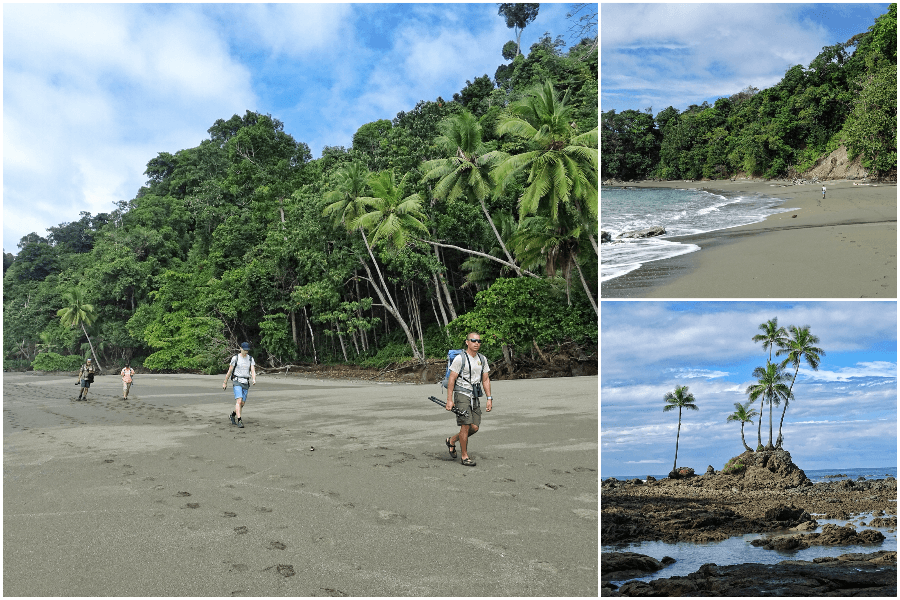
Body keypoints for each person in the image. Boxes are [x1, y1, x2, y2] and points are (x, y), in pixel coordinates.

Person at [445, 332, 493, 466]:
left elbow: (485, 379)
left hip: (475, 396)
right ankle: (464, 456)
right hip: (462, 394)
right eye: (473, 341)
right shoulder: (460, 358)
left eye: (479, 341)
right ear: (467, 342)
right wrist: (450, 399)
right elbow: (452, 379)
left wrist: (489, 398)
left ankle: (452, 440)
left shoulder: (482, 359)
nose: (476, 343)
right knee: (465, 426)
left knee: (475, 427)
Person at [222, 342, 256, 428]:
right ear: (240, 348)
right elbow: (230, 371)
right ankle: (239, 420)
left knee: (242, 404)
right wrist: (225, 382)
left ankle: (232, 415)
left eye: (247, 350)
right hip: (237, 381)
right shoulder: (235, 358)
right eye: (244, 350)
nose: (246, 352)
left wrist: (254, 379)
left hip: (245, 382)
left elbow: (252, 370)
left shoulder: (250, 359)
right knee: (239, 401)